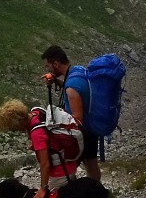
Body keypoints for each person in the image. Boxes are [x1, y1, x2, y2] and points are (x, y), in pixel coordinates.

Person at [0, 98, 83, 198]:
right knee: (71, 194)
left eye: (14, 128)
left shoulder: (36, 133)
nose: (15, 131)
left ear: (18, 123)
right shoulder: (36, 112)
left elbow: (45, 164)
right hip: (68, 163)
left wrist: (43, 188)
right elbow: (49, 138)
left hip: (60, 172)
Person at [42, 45, 102, 182]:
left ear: (56, 63)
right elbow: (75, 88)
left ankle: (92, 194)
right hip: (91, 127)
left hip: (83, 133)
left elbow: (77, 119)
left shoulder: (71, 87)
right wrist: (57, 81)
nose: (48, 70)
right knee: (91, 164)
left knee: (76, 167)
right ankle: (96, 191)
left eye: (48, 66)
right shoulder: (77, 71)